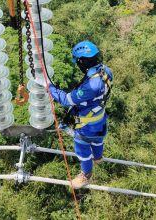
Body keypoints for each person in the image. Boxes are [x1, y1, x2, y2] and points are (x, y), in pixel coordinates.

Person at [38, 41, 113, 188]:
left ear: (82, 61)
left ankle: (86, 175)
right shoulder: (105, 71)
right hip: (100, 119)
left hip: (87, 126)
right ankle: (98, 157)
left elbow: (67, 100)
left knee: (82, 148)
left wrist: (49, 87)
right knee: (98, 140)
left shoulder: (90, 86)